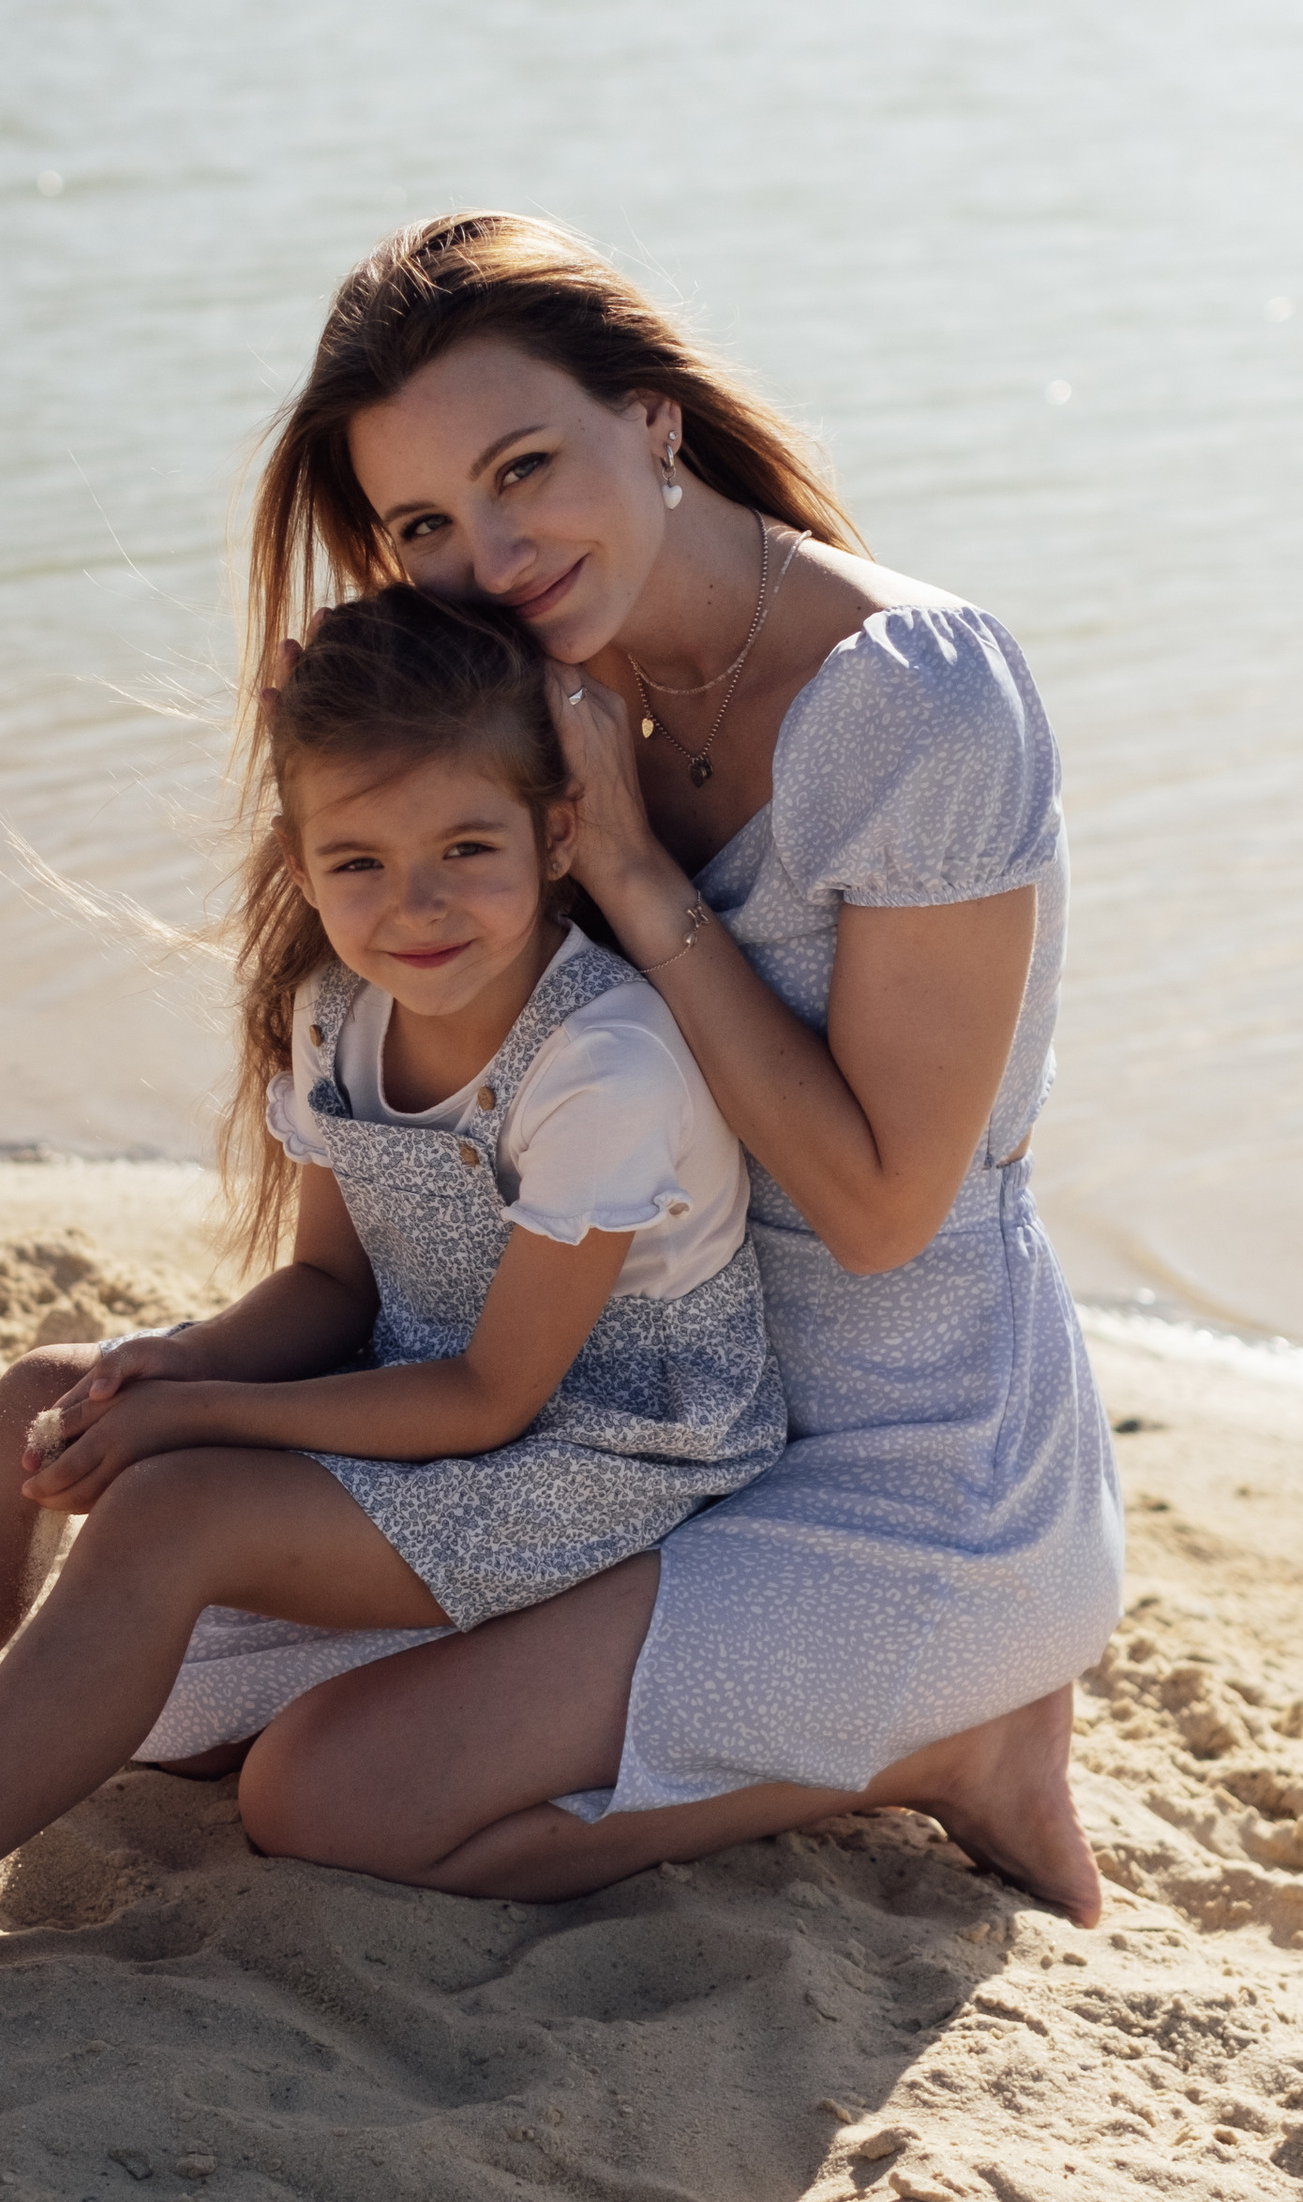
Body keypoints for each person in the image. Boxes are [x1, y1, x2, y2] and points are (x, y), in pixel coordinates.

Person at [0, 580, 782, 1993]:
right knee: (49, 1396)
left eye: (465, 848)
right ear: (301, 858)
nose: (416, 905)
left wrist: (202, 1423)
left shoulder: (599, 1064)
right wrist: (171, 1366)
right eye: (359, 861)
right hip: (427, 1398)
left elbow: (498, 1394)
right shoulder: (339, 1010)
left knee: (176, 1507)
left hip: (610, 1451)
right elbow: (330, 1280)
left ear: (558, 833)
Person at [198, 210, 1123, 1920]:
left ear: (658, 419)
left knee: (329, 1794)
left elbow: (874, 1211)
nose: (492, 551)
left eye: (526, 468)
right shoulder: (535, 679)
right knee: (172, 1693)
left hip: (911, 1461)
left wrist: (625, 868)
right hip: (647, 1415)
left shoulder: (913, 704)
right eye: (425, 524)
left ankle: (957, 1744)